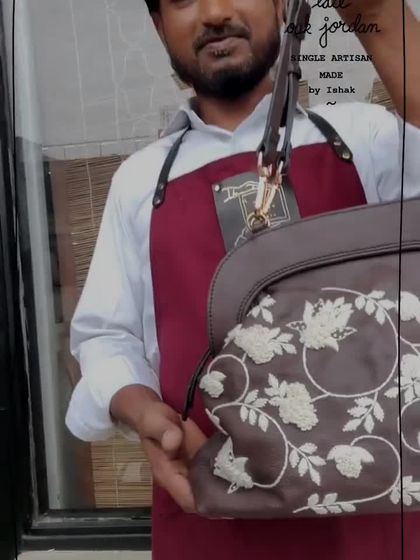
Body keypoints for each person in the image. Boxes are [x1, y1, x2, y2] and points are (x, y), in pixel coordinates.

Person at [65, 0, 420, 558]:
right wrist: (141, 410)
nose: (213, 12)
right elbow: (106, 337)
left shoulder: (367, 137)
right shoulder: (138, 181)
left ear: (281, 6)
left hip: (374, 509)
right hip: (208, 503)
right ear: (158, 27)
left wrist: (378, 17)